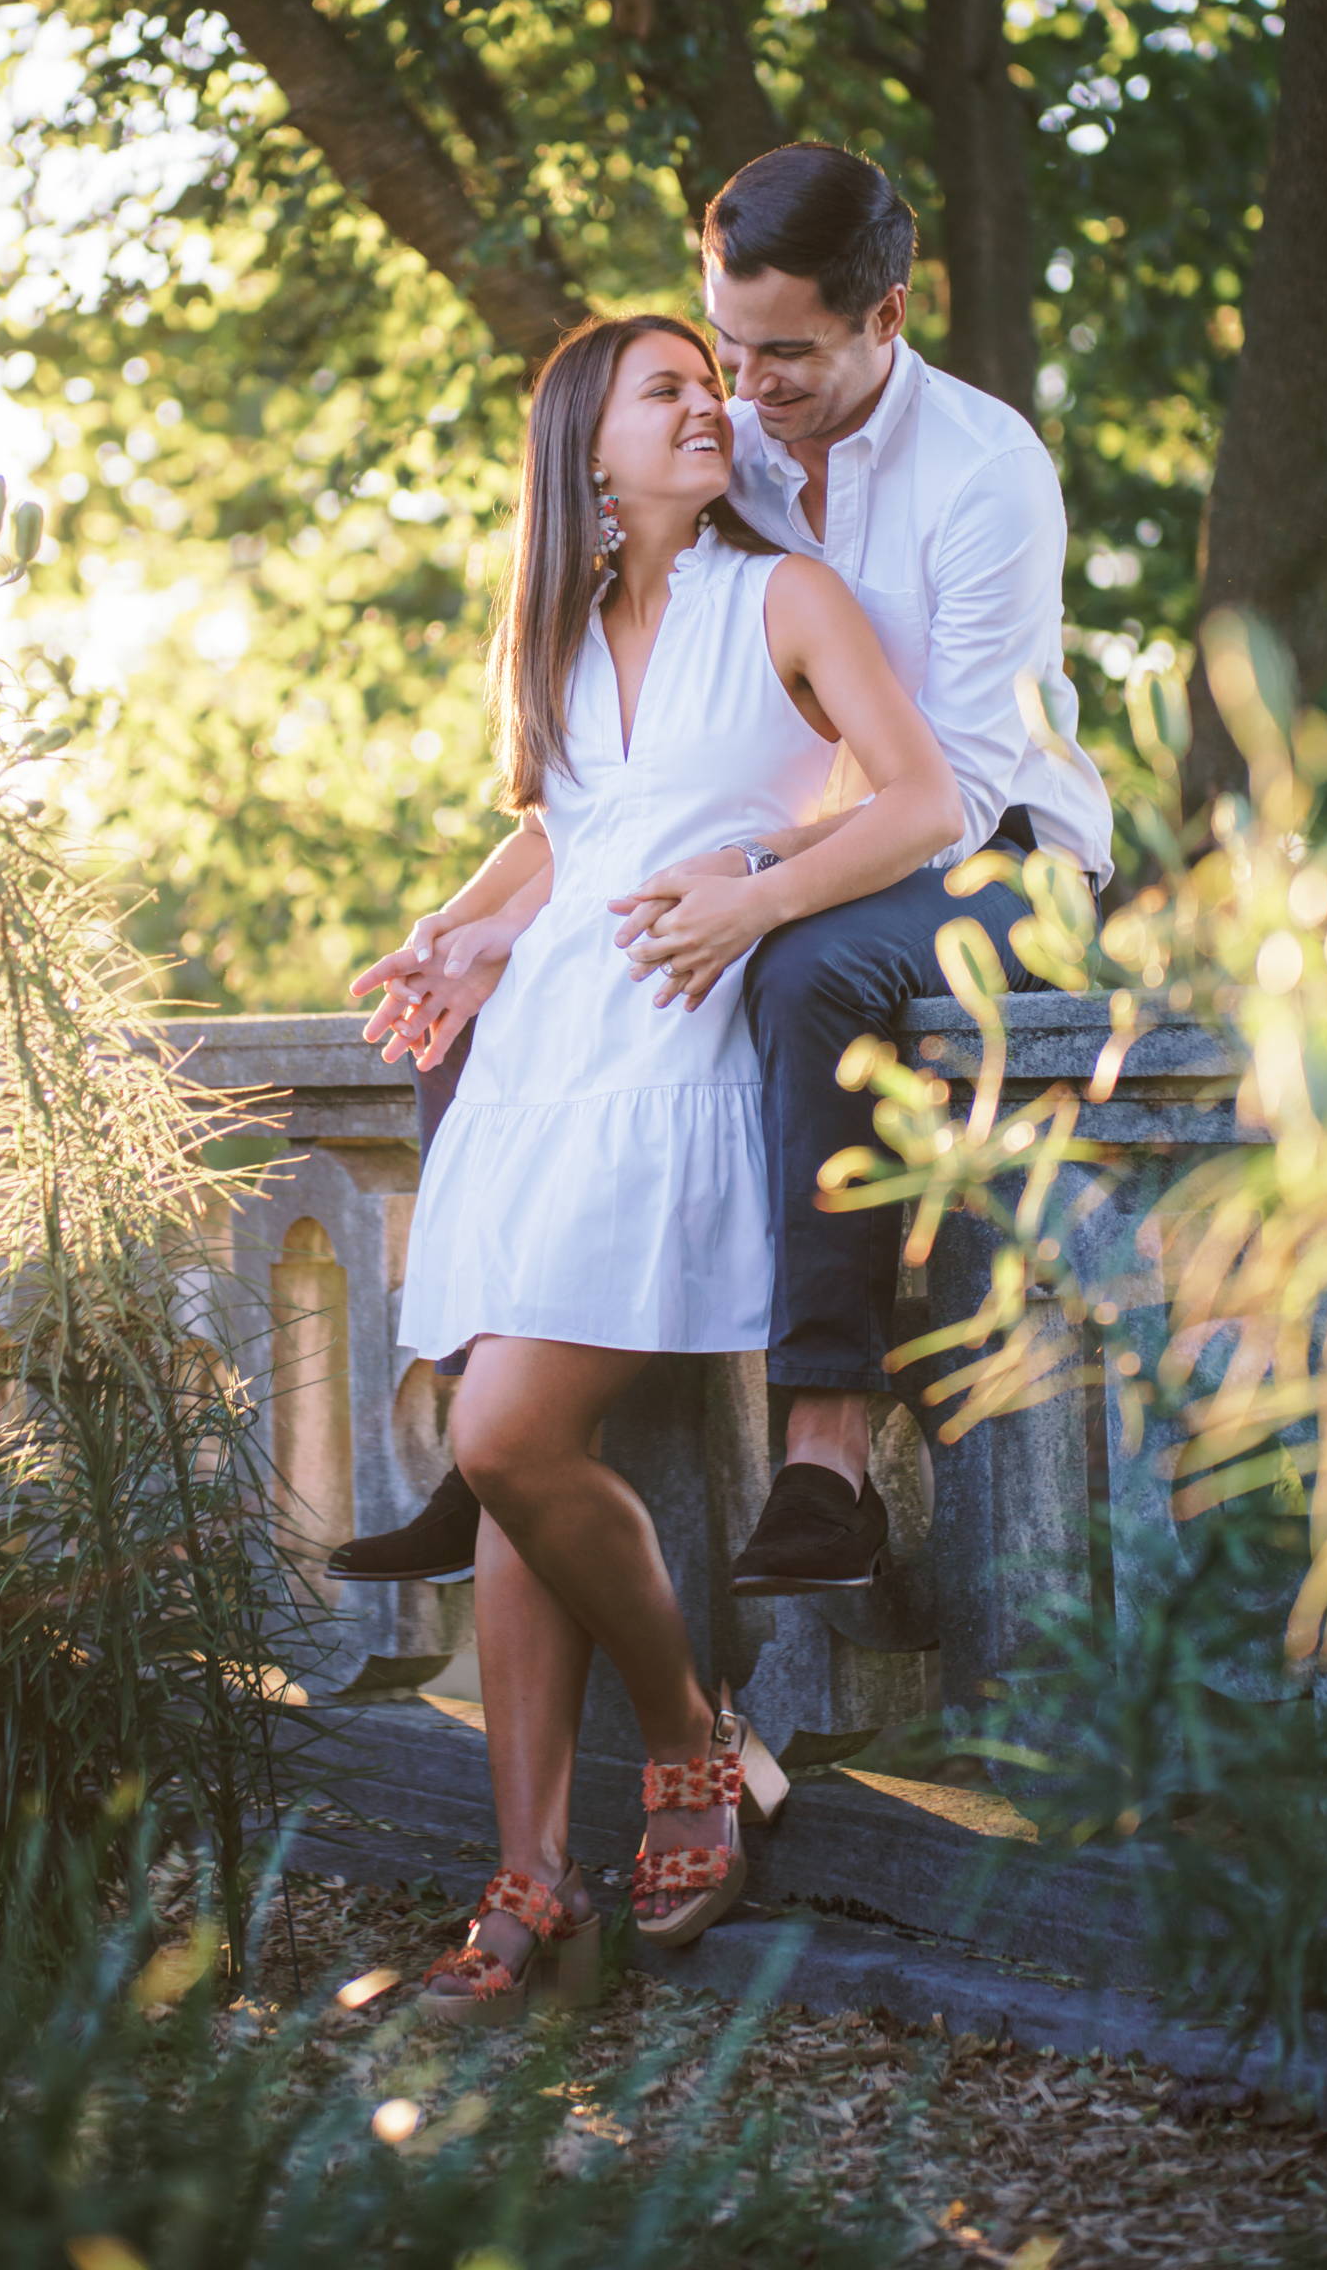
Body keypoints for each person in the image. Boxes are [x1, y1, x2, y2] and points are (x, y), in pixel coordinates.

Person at [344, 143, 1111, 1605]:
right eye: (724, 343)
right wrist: (479, 921)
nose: (745, 389)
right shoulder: (733, 438)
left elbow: (952, 792)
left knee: (813, 968)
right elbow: (636, 777)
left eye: (784, 355)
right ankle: (485, 1407)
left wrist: (755, 880)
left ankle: (827, 1450)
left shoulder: (986, 473)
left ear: (886, 317)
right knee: (502, 993)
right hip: (805, 837)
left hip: (1008, 854)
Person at [387, 312, 962, 2021]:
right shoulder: (561, 647)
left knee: (503, 1432)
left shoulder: (781, 597)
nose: (707, 401)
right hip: (546, 1076)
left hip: (684, 1066)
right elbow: (575, 832)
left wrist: (761, 899)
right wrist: (467, 939)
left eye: (704, 382)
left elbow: (922, 799)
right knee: (512, 1464)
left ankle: (698, 1745)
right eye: (668, 389)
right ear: (589, 454)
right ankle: (534, 1884)